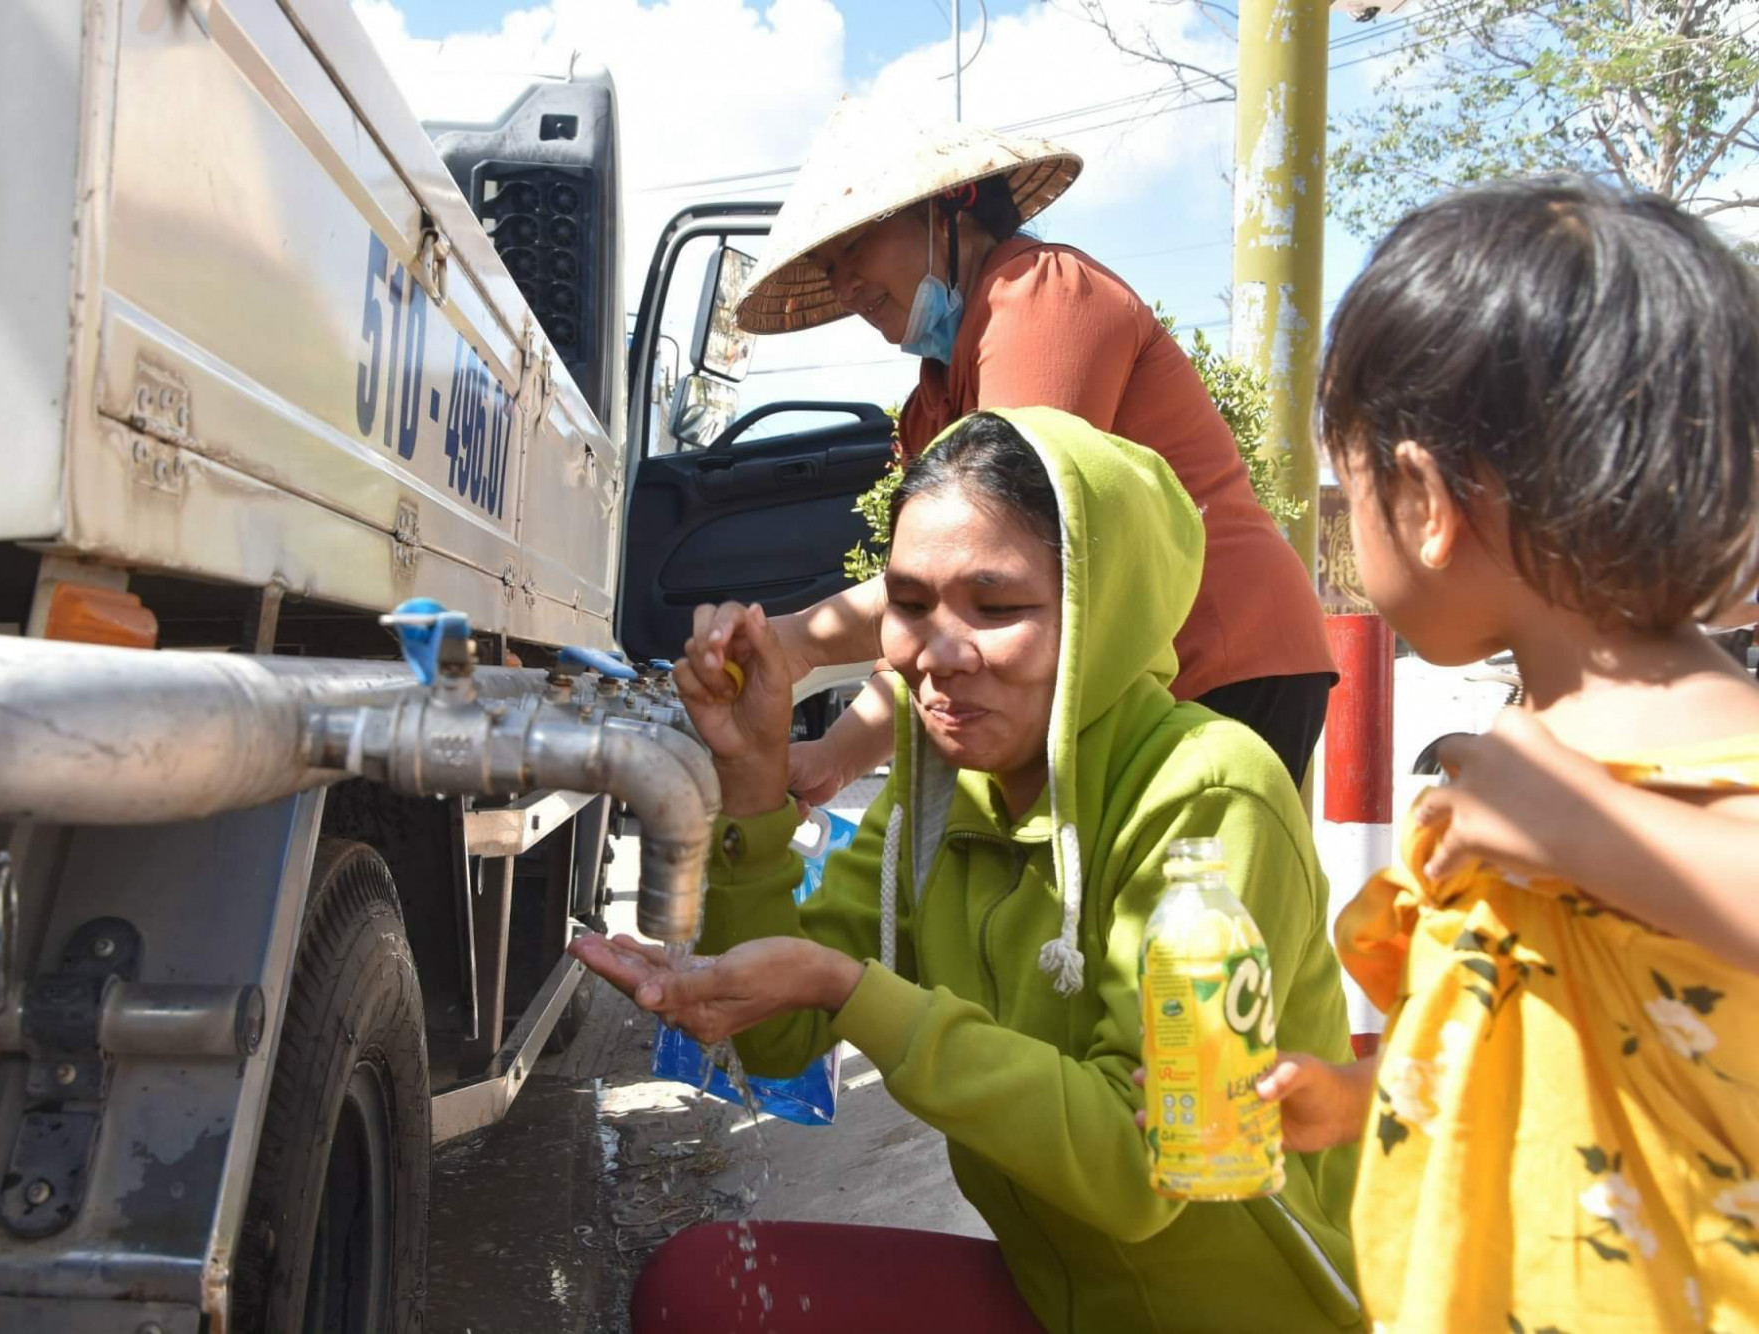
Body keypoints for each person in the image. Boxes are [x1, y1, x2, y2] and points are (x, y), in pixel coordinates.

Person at [572, 408, 1364, 1332]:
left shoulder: (1208, 794)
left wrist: (852, 989)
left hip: (1242, 1319)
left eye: (997, 608)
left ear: (1100, 612)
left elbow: (1141, 1174)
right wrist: (749, 784)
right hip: (1060, 1300)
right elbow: (774, 1042)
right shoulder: (937, 793)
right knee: (697, 1289)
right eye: (910, 605)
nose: (938, 656)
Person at [1240, 176, 1759, 1332]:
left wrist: (1585, 828)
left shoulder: (1689, 777)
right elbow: (1521, 1050)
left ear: (1419, 494)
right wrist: (1361, 1095)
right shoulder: (1509, 780)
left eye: (1351, 483)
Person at [729, 100, 1334, 796]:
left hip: (1222, 656)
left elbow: (993, 559)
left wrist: (797, 639)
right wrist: (828, 760)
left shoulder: (1039, 293)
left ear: (949, 203)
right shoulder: (934, 396)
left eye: (855, 248)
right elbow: (937, 621)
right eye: (829, 267)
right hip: (1125, 683)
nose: (844, 285)